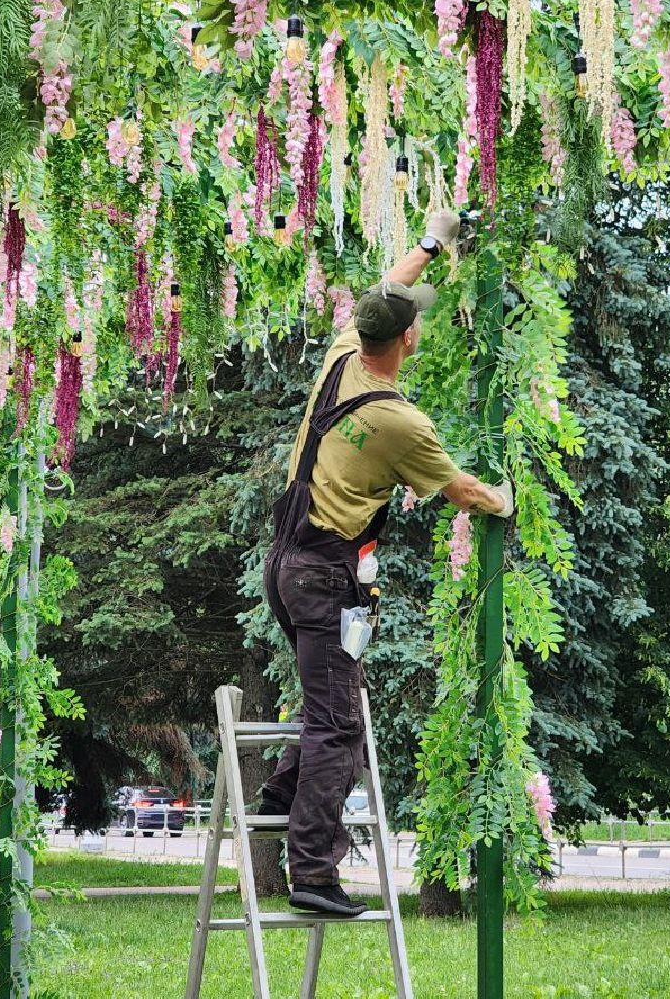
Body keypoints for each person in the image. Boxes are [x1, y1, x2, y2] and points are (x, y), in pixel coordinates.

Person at [259, 209, 513, 916]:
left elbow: (389, 285)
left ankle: (282, 792)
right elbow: (463, 491)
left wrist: (433, 245)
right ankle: (312, 873)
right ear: (409, 339)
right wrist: (505, 500)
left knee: (328, 707)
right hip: (325, 578)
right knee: (339, 723)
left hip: (287, 566)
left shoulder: (343, 355)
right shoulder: (402, 424)